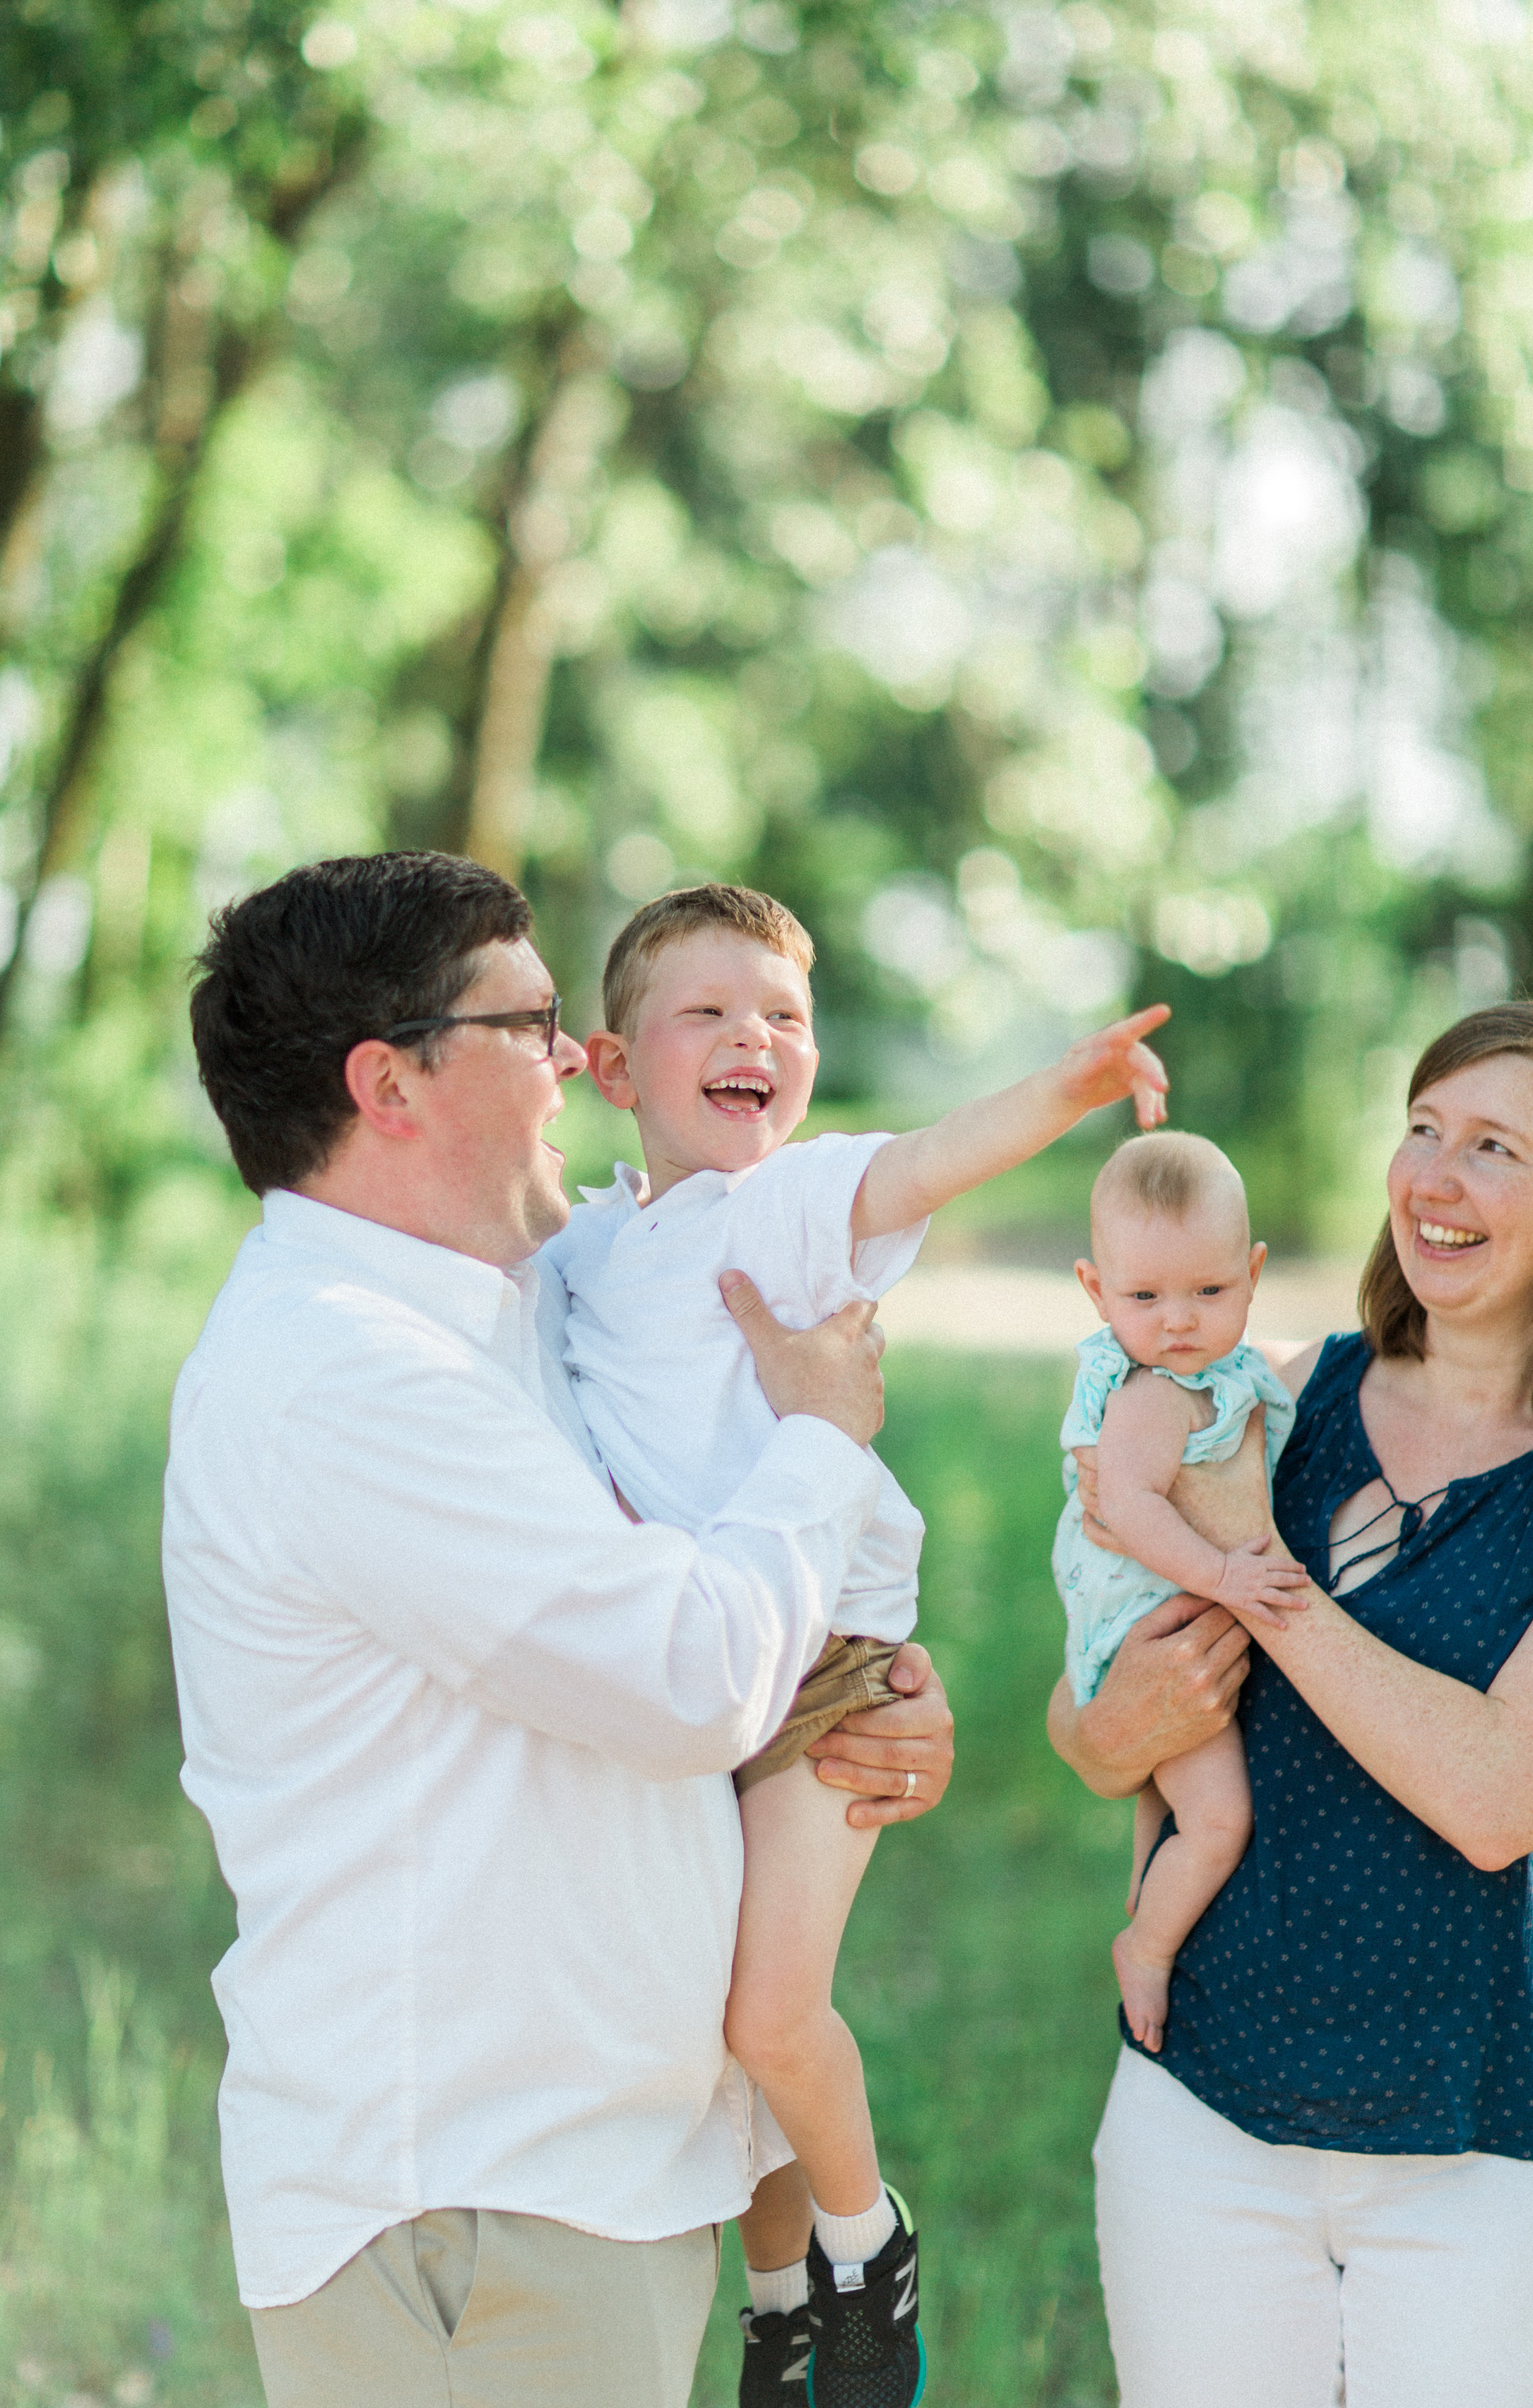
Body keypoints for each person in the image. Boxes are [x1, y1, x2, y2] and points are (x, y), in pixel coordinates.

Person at [160, 850, 957, 2408]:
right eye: (532, 1025)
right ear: (392, 1084)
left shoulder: (512, 1315)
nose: (574, 1066)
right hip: (473, 2205)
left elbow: (683, 1622)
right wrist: (824, 1441)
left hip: (585, 2182)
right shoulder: (349, 1377)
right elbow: (686, 1677)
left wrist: (857, 1701)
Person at [548, 882, 1171, 2407]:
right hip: (693, 1667)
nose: (756, 1035)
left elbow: (919, 1162)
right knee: (716, 2030)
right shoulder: (580, 1247)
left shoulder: (781, 1205)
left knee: (771, 2007)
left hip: (824, 1669)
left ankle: (865, 2244)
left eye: (785, 1017)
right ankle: (776, 2310)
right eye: (708, 1012)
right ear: (617, 1068)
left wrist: (1072, 1091)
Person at [1050, 1004, 1533, 2408]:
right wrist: (1113, 1728)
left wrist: (1269, 1593)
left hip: (1473, 2151)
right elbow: (1085, 1728)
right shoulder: (1276, 1393)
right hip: (1200, 2109)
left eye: (1495, 1147)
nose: (1434, 1180)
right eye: (1424, 1131)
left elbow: (1499, 1801)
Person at [1052, 1129, 1303, 2053]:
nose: (1179, 1321)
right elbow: (1130, 1509)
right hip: (1146, 1626)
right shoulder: (1154, 1392)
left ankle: (1149, 1869)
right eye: (1144, 1297)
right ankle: (1147, 1948)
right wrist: (1227, 1573)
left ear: (1253, 1271)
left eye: (1210, 1291)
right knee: (1220, 1816)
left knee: (1166, 1800)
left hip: (1161, 1617)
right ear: (1095, 1291)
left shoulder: (1220, 1371)